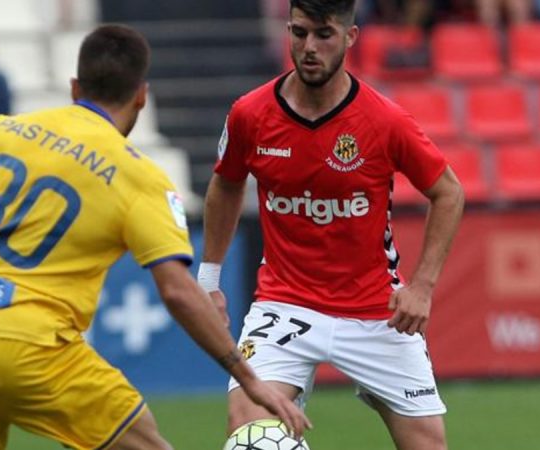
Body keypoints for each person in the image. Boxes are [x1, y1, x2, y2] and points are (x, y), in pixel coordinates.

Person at [0, 24, 310, 450]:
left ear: (75, 87)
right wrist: (248, 377)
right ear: (141, 97)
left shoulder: (3, 131)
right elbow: (176, 290)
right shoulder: (139, 176)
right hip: (35, 347)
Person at [198, 1, 464, 449]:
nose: (309, 47)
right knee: (248, 429)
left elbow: (449, 192)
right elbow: (226, 183)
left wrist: (422, 287)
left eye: (324, 35)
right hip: (285, 304)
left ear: (350, 37)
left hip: (376, 311)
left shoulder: (384, 120)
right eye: (299, 32)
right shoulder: (251, 113)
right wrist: (209, 279)